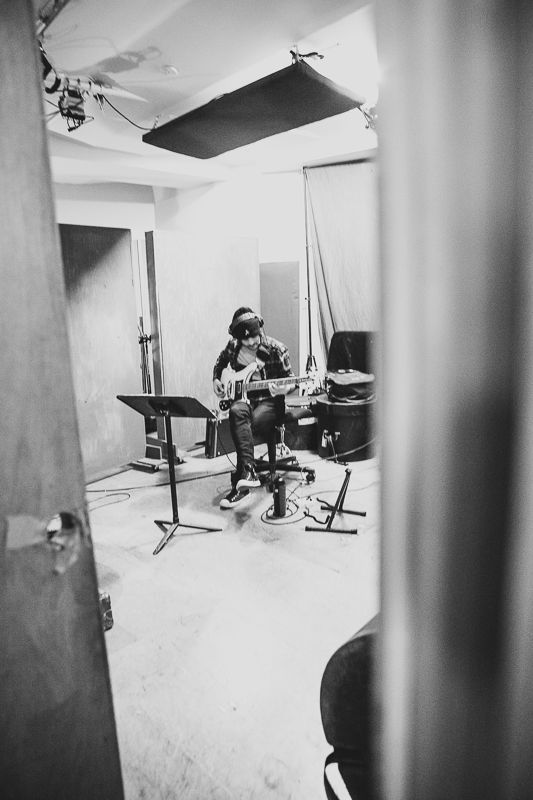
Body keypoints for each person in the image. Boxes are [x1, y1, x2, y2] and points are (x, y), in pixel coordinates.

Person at [213, 307, 295, 508]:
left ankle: (241, 482)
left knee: (248, 424)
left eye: (254, 336)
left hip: (270, 401)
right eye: (245, 339)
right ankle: (248, 472)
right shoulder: (233, 346)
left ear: (260, 329)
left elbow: (292, 380)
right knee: (236, 412)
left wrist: (284, 389)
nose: (251, 342)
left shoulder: (276, 349)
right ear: (238, 338)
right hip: (245, 400)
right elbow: (220, 363)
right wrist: (217, 379)